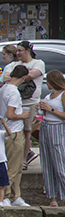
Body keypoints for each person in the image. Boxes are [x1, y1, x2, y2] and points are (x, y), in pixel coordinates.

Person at [0, 65, 30, 206]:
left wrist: (0, 117)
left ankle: (15, 196)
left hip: (7, 132)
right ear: (24, 77)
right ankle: (6, 196)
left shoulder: (5, 88)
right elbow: (11, 115)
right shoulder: (13, 92)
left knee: (17, 166)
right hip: (14, 133)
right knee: (13, 167)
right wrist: (23, 115)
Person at [16, 40, 45, 167]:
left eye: (20, 51)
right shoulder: (16, 64)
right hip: (17, 102)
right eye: (16, 51)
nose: (17, 53)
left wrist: (17, 77)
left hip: (31, 102)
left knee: (27, 131)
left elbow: (30, 75)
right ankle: (21, 156)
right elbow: (5, 78)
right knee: (17, 131)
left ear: (28, 51)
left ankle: (24, 159)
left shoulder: (38, 63)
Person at [39, 70, 65, 206]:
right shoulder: (49, 95)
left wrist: (51, 109)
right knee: (47, 162)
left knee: (60, 163)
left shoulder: (63, 94)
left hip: (57, 128)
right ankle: (52, 197)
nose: (47, 83)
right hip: (45, 126)